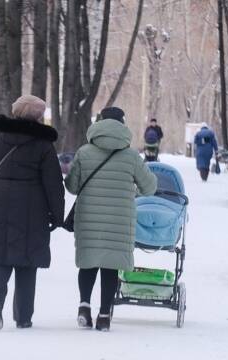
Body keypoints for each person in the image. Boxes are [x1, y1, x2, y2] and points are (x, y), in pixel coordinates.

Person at [64, 106, 157, 331]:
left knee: (88, 262)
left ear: (99, 123)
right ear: (122, 125)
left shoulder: (84, 152)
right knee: (111, 266)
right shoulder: (132, 156)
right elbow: (150, 187)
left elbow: (72, 186)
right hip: (119, 220)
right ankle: (104, 316)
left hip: (89, 218)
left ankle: (84, 307)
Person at [0, 95, 65, 330]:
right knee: (27, 260)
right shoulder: (43, 144)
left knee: (0, 255)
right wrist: (57, 215)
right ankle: (24, 317)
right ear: (38, 116)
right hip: (32, 205)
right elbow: (53, 183)